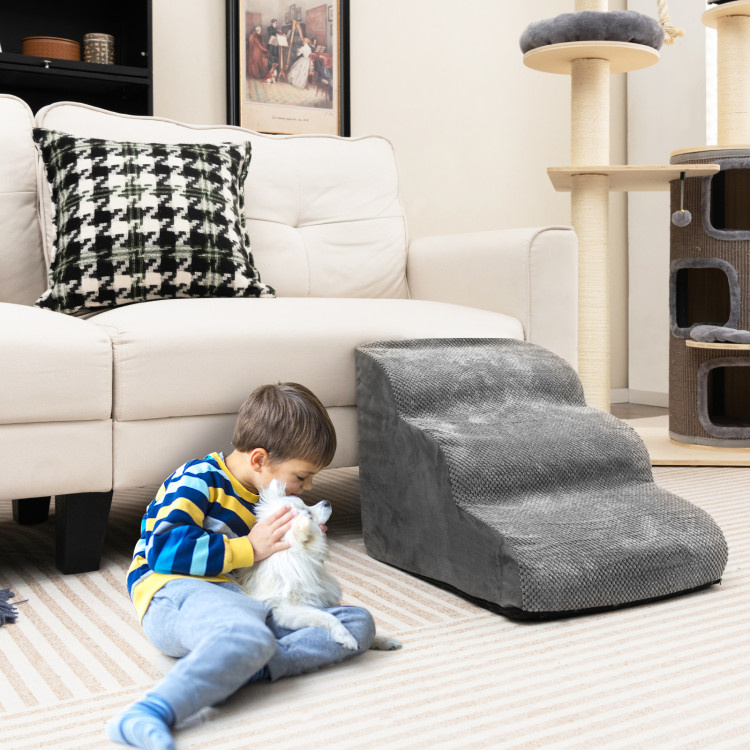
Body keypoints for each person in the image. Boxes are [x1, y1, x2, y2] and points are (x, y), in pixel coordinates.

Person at [108, 383, 375, 750]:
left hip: (240, 598)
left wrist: (299, 542)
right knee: (248, 633)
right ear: (259, 460)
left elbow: (270, 566)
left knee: (357, 623)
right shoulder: (198, 480)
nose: (309, 486)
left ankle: (248, 664)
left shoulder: (267, 497)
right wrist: (249, 546)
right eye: (301, 476)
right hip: (173, 592)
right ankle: (150, 711)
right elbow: (164, 551)